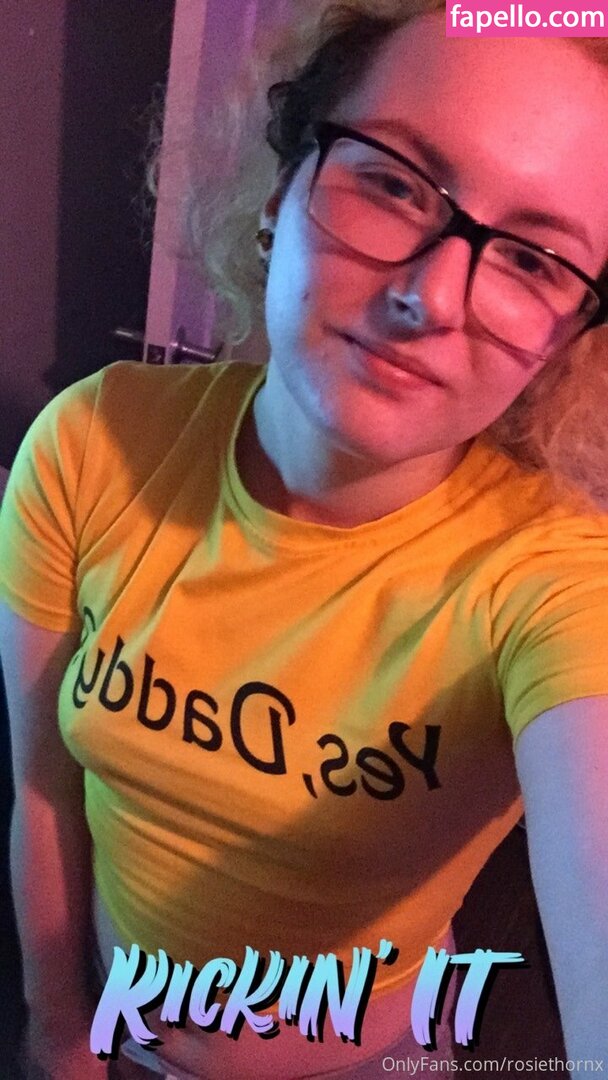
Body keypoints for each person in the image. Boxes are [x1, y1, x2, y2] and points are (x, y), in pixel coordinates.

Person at [1, 1, 608, 1077]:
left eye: (530, 259)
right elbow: (45, 791)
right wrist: (58, 1025)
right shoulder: (89, 445)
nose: (430, 296)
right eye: (392, 183)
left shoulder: (554, 582)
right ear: (282, 189)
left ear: (565, 342)